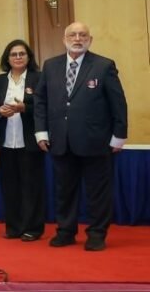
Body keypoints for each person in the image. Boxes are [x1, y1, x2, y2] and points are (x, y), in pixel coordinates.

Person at [35, 22, 127, 251]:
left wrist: (119, 136)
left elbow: (118, 103)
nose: (77, 39)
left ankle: (96, 234)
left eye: (82, 35)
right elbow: (41, 101)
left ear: (90, 40)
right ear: (64, 39)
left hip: (96, 142)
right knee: (64, 191)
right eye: (73, 35)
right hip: (60, 141)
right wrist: (41, 132)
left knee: (98, 193)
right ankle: (66, 231)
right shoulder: (50, 65)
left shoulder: (104, 65)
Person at [0, 39, 44, 242]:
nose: (18, 57)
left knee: (31, 186)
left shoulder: (38, 78)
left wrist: (24, 108)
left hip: (30, 140)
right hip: (6, 141)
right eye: (13, 54)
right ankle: (14, 227)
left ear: (29, 57)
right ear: (7, 58)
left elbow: (45, 105)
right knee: (10, 186)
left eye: (22, 54)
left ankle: (33, 228)